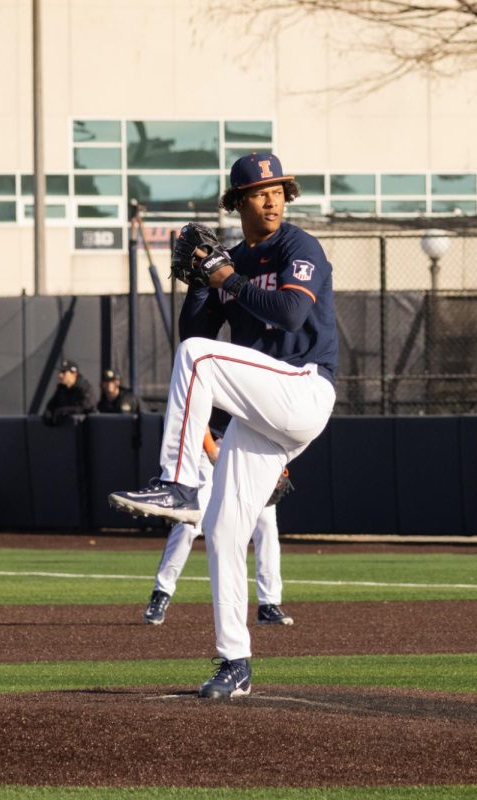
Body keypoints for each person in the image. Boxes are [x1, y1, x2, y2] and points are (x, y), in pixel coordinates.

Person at [109, 151, 337, 700]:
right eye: (261, 192)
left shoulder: (297, 246)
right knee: (226, 531)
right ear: (238, 202)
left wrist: (228, 277)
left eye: (279, 189)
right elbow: (194, 329)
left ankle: (178, 480)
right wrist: (200, 281)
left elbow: (288, 315)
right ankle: (235, 662)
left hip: (304, 387)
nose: (274, 198)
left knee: (201, 359)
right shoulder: (227, 261)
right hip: (262, 413)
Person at [143, 422, 294, 627]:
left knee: (266, 525)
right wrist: (213, 451)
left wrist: (279, 463)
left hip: (253, 453)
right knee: (189, 522)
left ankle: (268, 604)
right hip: (212, 450)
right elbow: (200, 415)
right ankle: (161, 592)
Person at [41, 358, 96, 425]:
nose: (60, 375)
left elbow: (87, 407)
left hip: (84, 431)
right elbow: (51, 406)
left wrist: (64, 411)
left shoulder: (84, 388)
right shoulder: (61, 389)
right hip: (67, 432)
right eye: (60, 372)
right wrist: (49, 415)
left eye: (64, 372)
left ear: (74, 374)